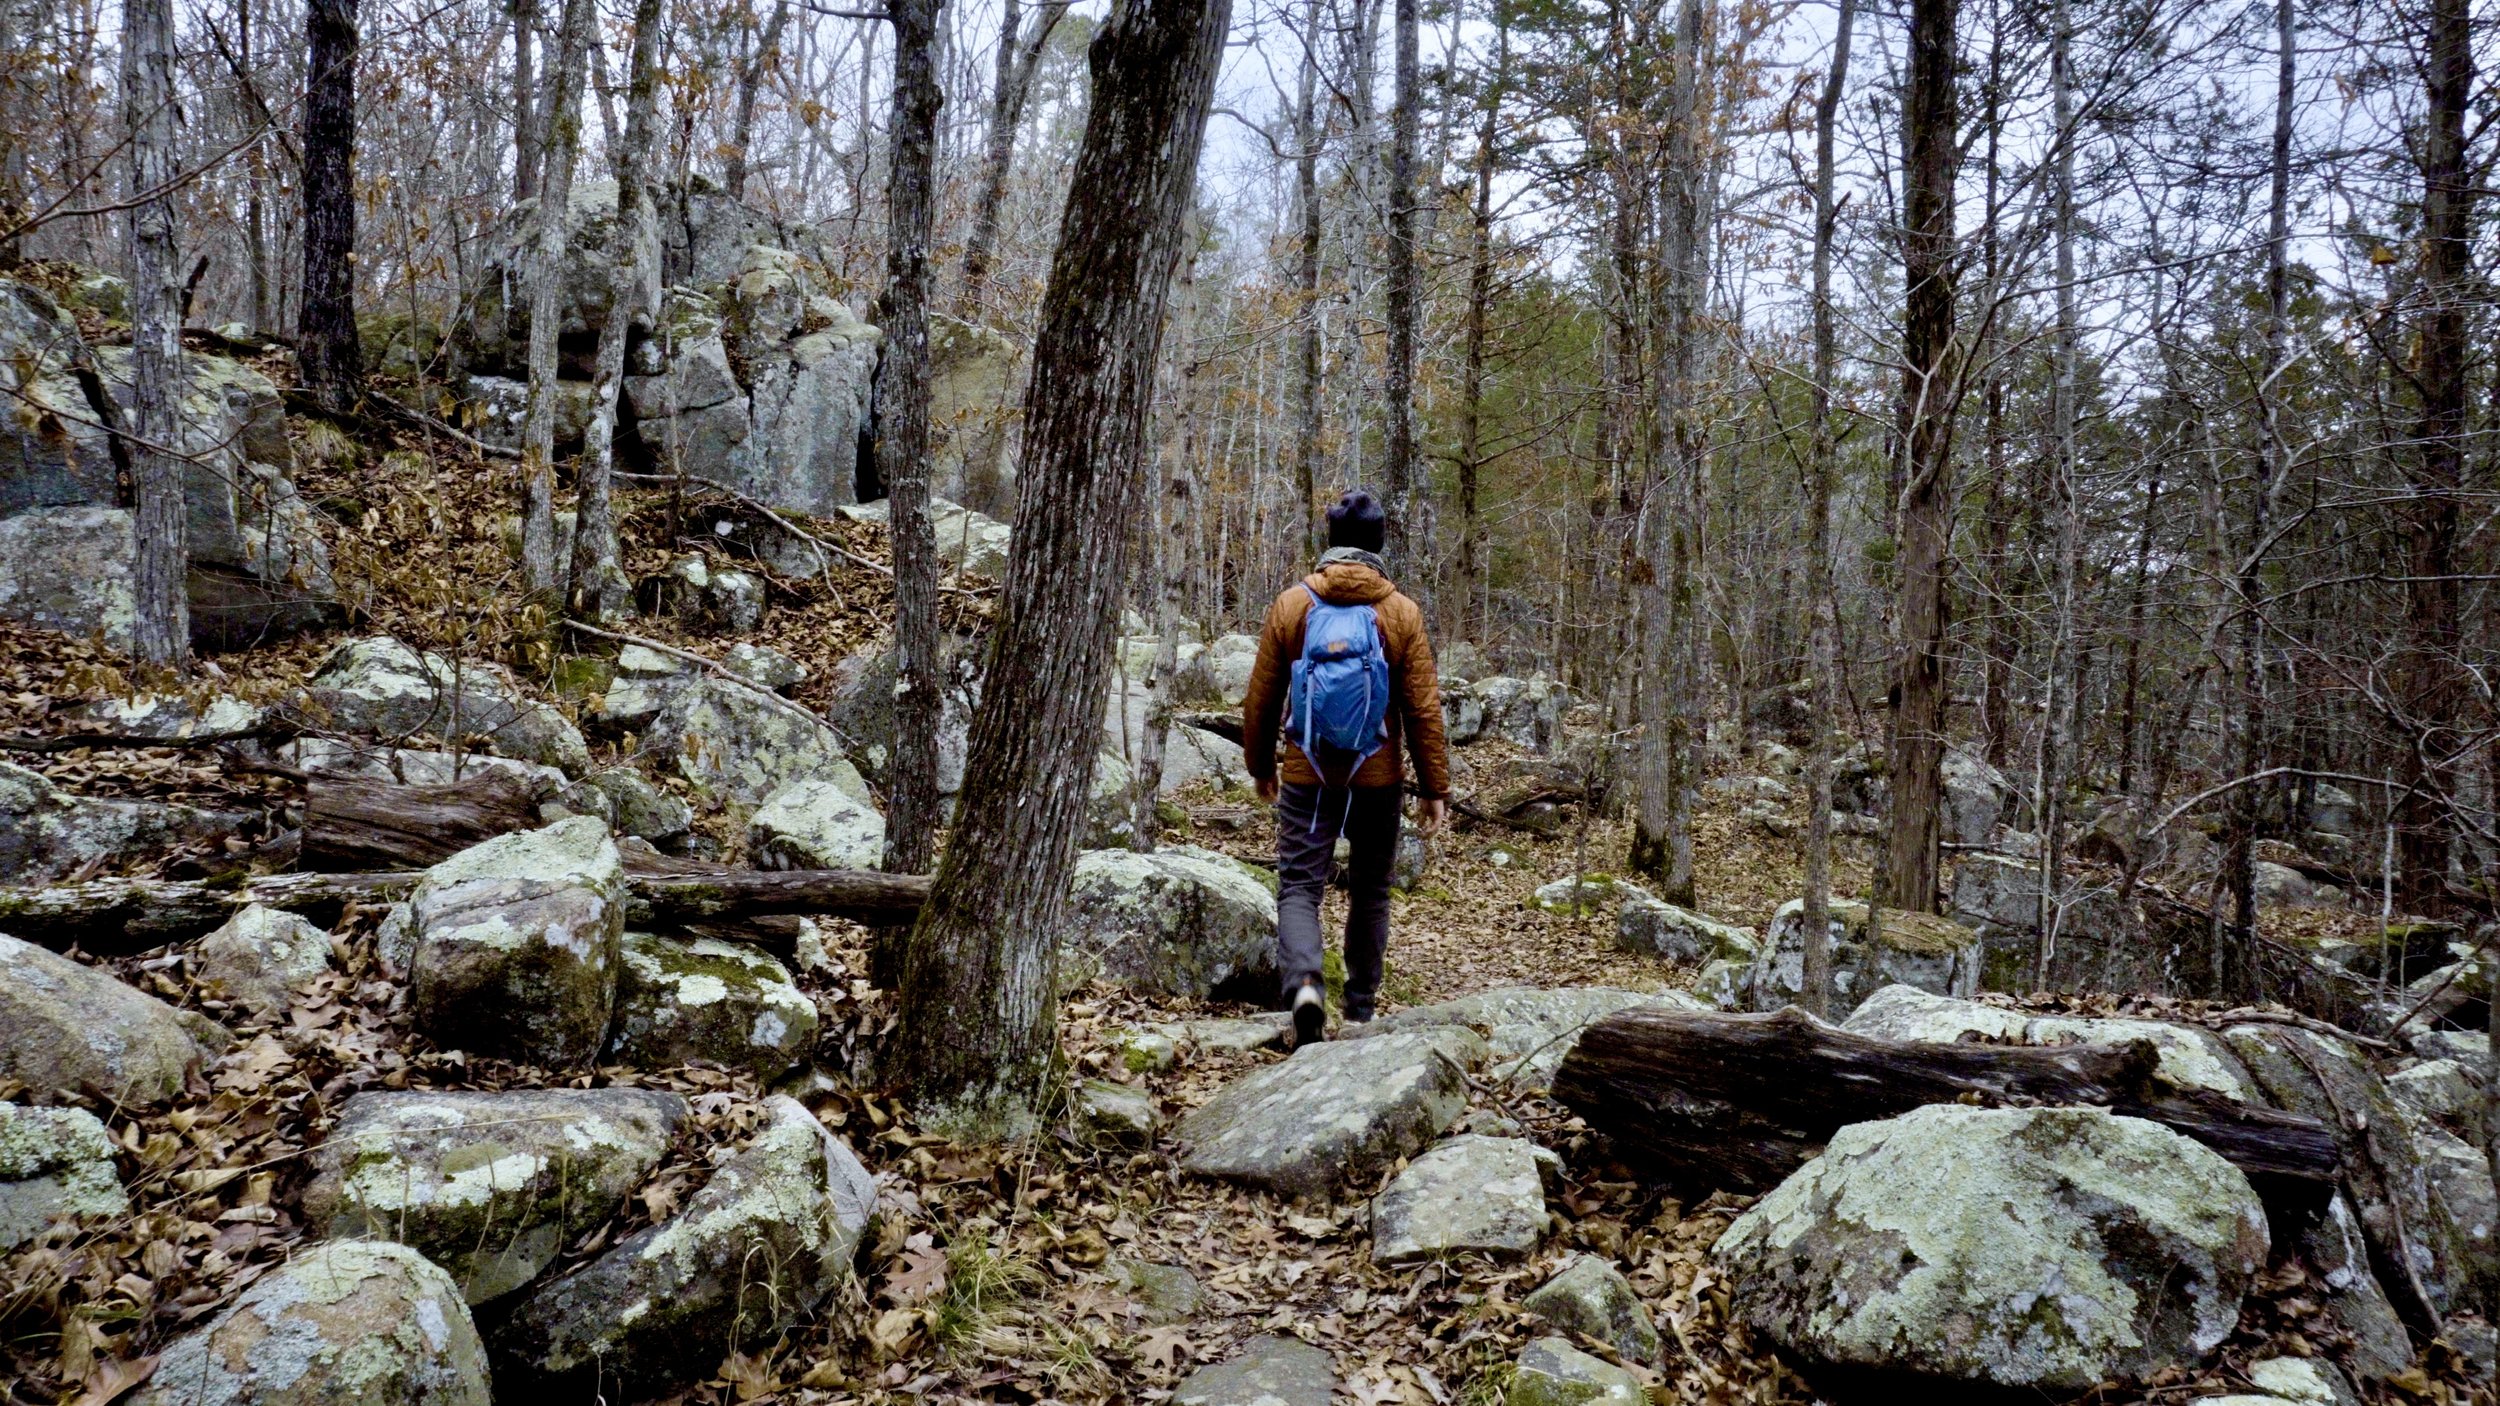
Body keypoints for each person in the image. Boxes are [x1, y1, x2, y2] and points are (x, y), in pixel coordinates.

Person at [1241, 489, 1450, 1047]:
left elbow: (1261, 696)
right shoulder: (1400, 612)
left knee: (1300, 888)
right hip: (1378, 779)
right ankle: (1359, 1010)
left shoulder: (1293, 605)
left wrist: (1261, 763)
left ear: (1331, 542)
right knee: (1371, 891)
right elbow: (1423, 708)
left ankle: (1306, 986)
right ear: (1380, 543)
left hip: (1309, 774)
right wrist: (1434, 787)